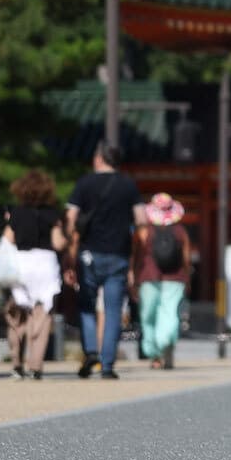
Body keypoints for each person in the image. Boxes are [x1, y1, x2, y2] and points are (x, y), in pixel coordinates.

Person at [64, 141, 139, 380]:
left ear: (99, 158)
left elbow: (71, 217)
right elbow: (142, 219)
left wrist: (69, 250)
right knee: (114, 309)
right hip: (118, 253)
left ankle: (91, 354)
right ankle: (108, 364)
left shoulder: (85, 183)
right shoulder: (128, 185)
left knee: (87, 306)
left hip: (89, 254)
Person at [3, 171, 66, 380]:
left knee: (18, 314)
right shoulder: (53, 214)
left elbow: (7, 241)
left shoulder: (17, 213)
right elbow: (58, 243)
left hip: (22, 265)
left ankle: (16, 363)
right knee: (41, 315)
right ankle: (35, 365)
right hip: (45, 265)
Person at [133, 192, 192, 370]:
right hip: (175, 278)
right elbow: (186, 258)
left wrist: (133, 278)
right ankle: (166, 342)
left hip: (148, 277)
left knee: (148, 316)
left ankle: (154, 354)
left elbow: (136, 256)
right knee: (170, 312)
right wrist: (187, 278)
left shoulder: (144, 232)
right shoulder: (180, 231)